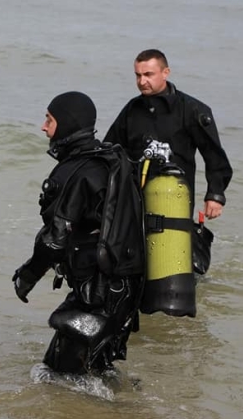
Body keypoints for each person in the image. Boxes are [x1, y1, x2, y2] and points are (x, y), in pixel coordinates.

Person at [13, 92, 145, 374]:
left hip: (97, 295)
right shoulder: (114, 161)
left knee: (62, 377)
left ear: (67, 124)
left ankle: (120, 414)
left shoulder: (75, 172)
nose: (43, 127)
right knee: (94, 370)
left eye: (49, 119)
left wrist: (27, 276)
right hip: (127, 290)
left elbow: (54, 240)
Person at [104, 49, 232, 221]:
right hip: (133, 198)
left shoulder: (192, 110)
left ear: (166, 73)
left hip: (174, 199)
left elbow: (214, 155)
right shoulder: (132, 109)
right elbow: (110, 149)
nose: (142, 81)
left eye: (148, 74)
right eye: (138, 75)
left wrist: (215, 196)